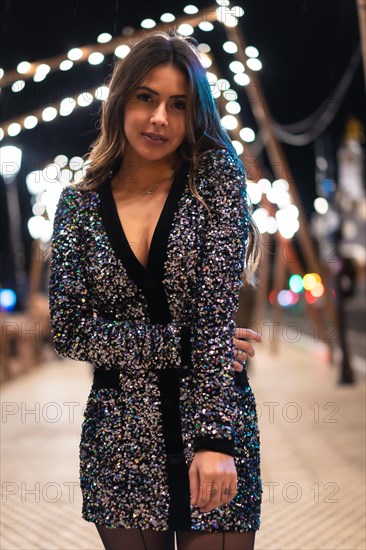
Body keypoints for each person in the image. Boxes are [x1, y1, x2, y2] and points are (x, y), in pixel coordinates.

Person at [49, 30, 263, 550]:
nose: (159, 118)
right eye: (146, 98)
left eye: (178, 104)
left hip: (210, 421)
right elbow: (70, 332)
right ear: (121, 99)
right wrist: (189, 345)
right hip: (118, 436)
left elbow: (215, 312)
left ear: (195, 115)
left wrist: (215, 442)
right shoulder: (77, 207)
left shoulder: (214, 181)